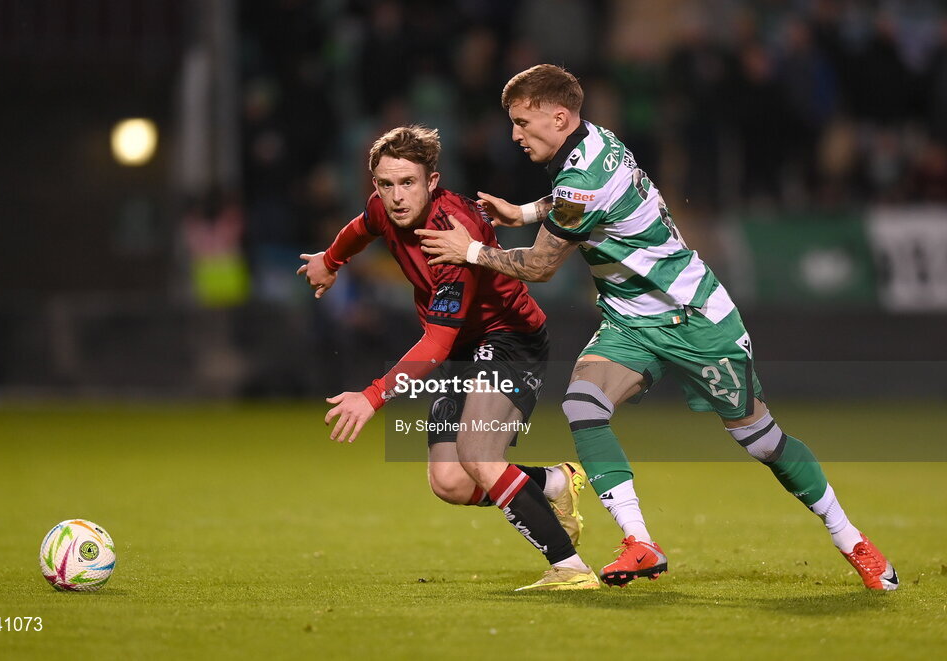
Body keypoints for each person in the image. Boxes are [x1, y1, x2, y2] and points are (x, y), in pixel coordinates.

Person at [417, 64, 898, 591]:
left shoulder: (580, 176)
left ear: (558, 117)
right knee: (583, 404)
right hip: (631, 320)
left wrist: (472, 250)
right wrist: (526, 210)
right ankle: (639, 542)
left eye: (521, 122)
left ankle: (850, 538)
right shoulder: (593, 142)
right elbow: (580, 204)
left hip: (694, 318)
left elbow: (540, 267)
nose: (514, 135)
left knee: (762, 440)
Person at [298, 125, 598, 591]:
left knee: (479, 454)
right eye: (385, 184)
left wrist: (373, 397)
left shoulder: (451, 233)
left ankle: (570, 568)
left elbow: (435, 343)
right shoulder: (384, 207)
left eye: (408, 183)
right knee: (451, 483)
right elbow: (362, 227)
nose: (396, 197)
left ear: (432, 181)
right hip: (463, 347)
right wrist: (331, 260)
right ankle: (552, 483)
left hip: (510, 337)